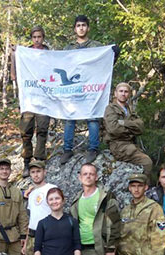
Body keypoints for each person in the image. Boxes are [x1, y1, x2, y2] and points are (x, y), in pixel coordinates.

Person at [61, 15, 103, 165]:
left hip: (91, 87)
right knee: (69, 118)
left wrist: (113, 53)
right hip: (73, 88)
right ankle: (67, 149)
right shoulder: (68, 48)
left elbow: (104, 63)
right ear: (74, 28)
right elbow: (60, 63)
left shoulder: (96, 46)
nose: (81, 28)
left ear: (88, 28)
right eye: (78, 25)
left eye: (84, 25)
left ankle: (93, 148)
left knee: (92, 117)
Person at [10, 26, 51, 176]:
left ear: (43, 37)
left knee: (42, 129)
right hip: (29, 97)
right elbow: (14, 74)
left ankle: (39, 159)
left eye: (39, 37)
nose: (37, 39)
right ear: (31, 38)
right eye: (34, 37)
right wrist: (14, 55)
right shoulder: (25, 54)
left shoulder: (48, 54)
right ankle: (26, 161)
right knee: (26, 130)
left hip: (44, 97)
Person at [23, 160, 56, 255]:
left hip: (48, 237)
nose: (36, 175)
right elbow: (32, 217)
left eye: (38, 171)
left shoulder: (51, 189)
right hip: (32, 236)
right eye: (33, 172)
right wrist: (25, 241)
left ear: (45, 172)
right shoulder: (31, 194)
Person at [103, 83, 152, 175]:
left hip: (130, 145)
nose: (123, 94)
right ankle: (144, 187)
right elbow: (113, 129)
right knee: (147, 162)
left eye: (126, 92)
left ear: (129, 94)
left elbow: (140, 127)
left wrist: (123, 123)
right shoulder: (110, 109)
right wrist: (131, 131)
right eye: (121, 91)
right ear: (115, 93)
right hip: (118, 146)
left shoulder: (129, 110)